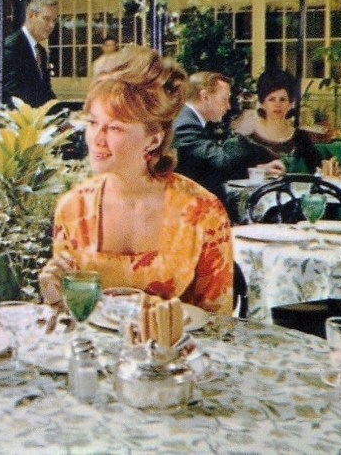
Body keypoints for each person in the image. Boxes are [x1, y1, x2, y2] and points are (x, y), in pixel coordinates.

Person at [39, 47, 234, 315]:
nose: (97, 140)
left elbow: (218, 321)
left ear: (153, 139)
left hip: (179, 342)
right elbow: (72, 317)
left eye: (115, 128)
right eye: (93, 123)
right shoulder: (73, 208)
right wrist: (54, 297)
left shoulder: (203, 211)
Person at [173, 71, 284, 199]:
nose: (228, 106)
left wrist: (258, 170)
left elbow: (208, 167)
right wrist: (241, 132)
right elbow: (221, 163)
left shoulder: (189, 120)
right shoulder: (185, 125)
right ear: (205, 97)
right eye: (224, 99)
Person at [233, 67, 321, 173]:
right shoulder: (248, 137)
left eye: (282, 99)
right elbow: (234, 172)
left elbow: (317, 168)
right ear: (262, 103)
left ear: (291, 104)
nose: (277, 105)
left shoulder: (300, 137)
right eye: (271, 99)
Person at [0, 0, 59, 108]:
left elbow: (45, 91)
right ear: (31, 15)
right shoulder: (11, 47)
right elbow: (12, 94)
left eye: (54, 20)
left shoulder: (41, 52)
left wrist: (63, 113)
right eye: (46, 19)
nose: (51, 25)